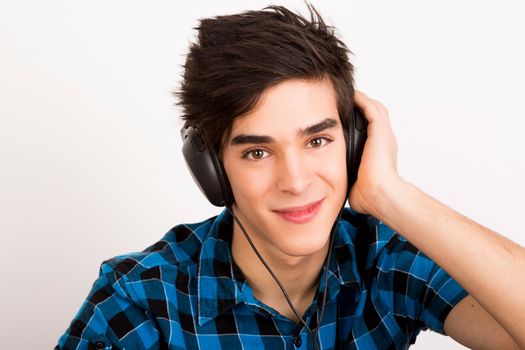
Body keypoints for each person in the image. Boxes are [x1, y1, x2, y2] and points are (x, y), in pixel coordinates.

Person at [56, 5, 524, 349]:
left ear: (354, 144)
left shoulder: (386, 261)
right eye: (257, 152)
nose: (296, 181)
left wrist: (390, 194)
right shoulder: (140, 301)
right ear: (213, 170)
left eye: (317, 141)